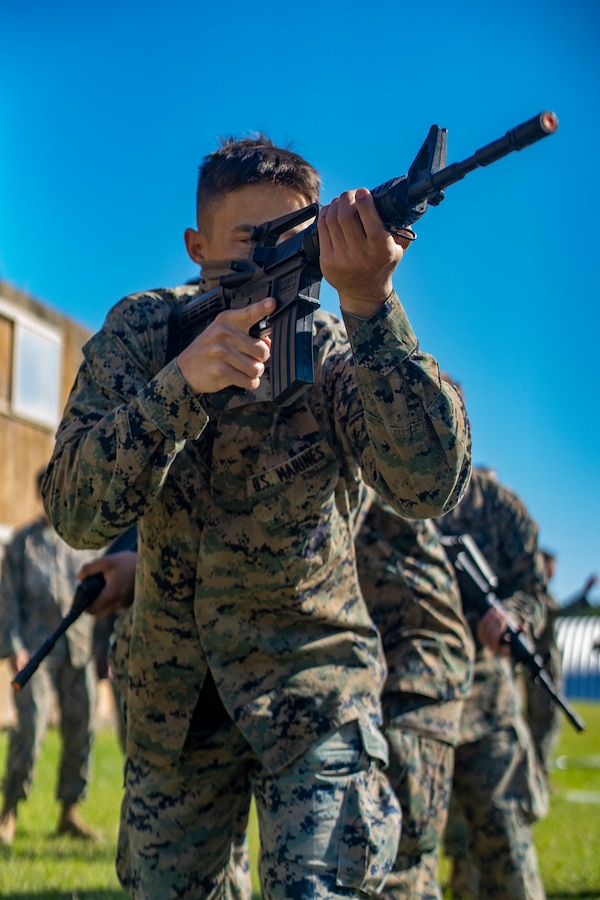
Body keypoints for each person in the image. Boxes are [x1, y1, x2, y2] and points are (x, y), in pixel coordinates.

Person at [41, 135, 472, 899]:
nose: (278, 261)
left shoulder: (342, 350)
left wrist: (372, 305)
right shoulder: (146, 333)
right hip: (175, 709)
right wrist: (178, 388)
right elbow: (75, 508)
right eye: (251, 242)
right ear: (196, 245)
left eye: (299, 238)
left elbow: (428, 485)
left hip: (313, 694)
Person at [436, 465, 549, 900]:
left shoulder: (498, 506)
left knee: (505, 850)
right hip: (406, 710)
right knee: (406, 860)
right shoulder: (383, 495)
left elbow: (533, 590)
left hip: (484, 708)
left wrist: (512, 615)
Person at [355, 490, 474, 899]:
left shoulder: (360, 478)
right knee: (405, 863)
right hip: (404, 671)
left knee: (394, 861)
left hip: (417, 674)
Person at [0, 469, 99, 845]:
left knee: (83, 728)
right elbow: (6, 600)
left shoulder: (86, 542)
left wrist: (102, 647)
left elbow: (98, 595)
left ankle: (70, 811)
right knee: (31, 727)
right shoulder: (21, 544)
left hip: (79, 649)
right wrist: (13, 646)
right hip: (35, 653)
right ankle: (9, 811)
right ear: (41, 495)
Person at [522, 549, 562, 780]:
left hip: (540, 664)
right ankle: (538, 774)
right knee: (543, 719)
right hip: (541, 665)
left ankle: (538, 773)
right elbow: (558, 612)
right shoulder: (537, 593)